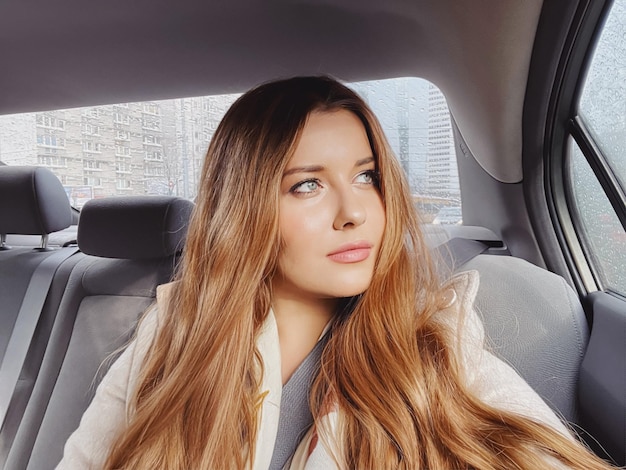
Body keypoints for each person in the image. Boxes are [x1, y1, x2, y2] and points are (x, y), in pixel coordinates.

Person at [58, 76, 616, 469]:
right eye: (308, 184)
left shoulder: (434, 342)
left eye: (367, 177)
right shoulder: (172, 333)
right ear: (244, 210)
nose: (354, 213)